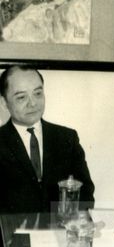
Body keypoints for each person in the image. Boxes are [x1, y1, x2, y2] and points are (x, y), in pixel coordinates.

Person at [0, 64, 95, 214]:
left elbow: (85, 191)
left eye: (38, 93)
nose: (33, 103)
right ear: (4, 103)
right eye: (21, 97)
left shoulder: (67, 138)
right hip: (11, 226)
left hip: (61, 225)